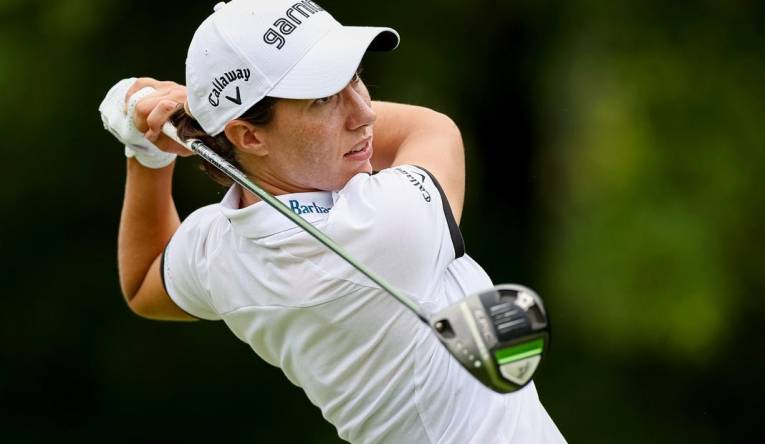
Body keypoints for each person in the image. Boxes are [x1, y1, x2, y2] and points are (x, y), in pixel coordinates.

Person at [99, 0, 565, 442]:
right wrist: (200, 114)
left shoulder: (219, 251)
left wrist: (147, 153)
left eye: (355, 78)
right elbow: (431, 129)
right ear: (248, 135)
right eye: (323, 98)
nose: (363, 112)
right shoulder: (384, 226)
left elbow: (143, 282)